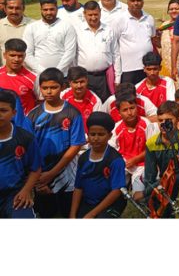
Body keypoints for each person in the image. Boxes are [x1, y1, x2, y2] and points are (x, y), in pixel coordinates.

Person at [28, 68, 85, 218]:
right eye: (45, 88)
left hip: (67, 175)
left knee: (67, 212)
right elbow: (30, 147)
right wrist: (39, 175)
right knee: (46, 214)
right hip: (41, 175)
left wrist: (53, 173)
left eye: (53, 87)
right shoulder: (33, 115)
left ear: (62, 87)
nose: (49, 91)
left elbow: (76, 144)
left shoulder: (73, 113)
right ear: (40, 88)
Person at [141, 101, 179, 218]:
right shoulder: (151, 143)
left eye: (168, 120)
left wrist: (152, 189)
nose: (163, 124)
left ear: (178, 121)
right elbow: (150, 174)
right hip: (165, 179)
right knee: (152, 196)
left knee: (176, 181)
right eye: (160, 120)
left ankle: (175, 215)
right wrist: (148, 192)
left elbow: (178, 169)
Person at [69, 112, 127, 218]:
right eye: (92, 134)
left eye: (101, 135)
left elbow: (116, 191)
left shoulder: (115, 160)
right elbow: (78, 187)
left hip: (110, 204)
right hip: (88, 202)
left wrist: (92, 214)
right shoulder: (83, 158)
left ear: (109, 136)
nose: (96, 138)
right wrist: (72, 215)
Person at [0, 90, 41, 218]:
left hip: (14, 194)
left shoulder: (25, 138)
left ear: (14, 113)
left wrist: (26, 190)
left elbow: (36, 168)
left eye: (3, 110)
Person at [109, 92, 158, 196]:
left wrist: (135, 159)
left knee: (137, 195)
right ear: (119, 112)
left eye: (132, 108)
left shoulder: (146, 124)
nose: (130, 112)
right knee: (112, 189)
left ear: (137, 108)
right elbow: (112, 149)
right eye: (125, 110)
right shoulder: (117, 128)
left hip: (142, 164)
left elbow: (152, 149)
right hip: (124, 163)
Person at [75, 0, 120, 102]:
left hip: (104, 78)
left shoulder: (109, 30)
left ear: (100, 13)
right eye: (90, 15)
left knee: (105, 104)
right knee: (86, 104)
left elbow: (116, 55)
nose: (93, 18)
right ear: (84, 14)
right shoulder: (77, 30)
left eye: (96, 14)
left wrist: (117, 78)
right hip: (84, 78)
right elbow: (73, 55)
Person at [110, 0, 156, 86]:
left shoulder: (149, 18)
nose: (136, 3)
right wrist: (117, 75)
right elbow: (114, 46)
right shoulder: (119, 20)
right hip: (128, 69)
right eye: (132, 1)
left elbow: (152, 38)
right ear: (127, 1)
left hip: (147, 69)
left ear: (143, 1)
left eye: (138, 0)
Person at [23, 0, 76, 76]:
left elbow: (70, 52)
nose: (48, 12)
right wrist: (43, 72)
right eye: (45, 9)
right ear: (41, 10)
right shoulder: (31, 27)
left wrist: (57, 72)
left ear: (57, 9)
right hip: (38, 75)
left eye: (52, 9)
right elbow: (27, 53)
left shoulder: (67, 26)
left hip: (62, 75)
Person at [0, 38, 38, 114]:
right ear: (5, 55)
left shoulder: (34, 78)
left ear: (25, 56)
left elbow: (40, 101)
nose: (16, 59)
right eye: (12, 55)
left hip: (23, 124)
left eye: (20, 56)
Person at [61, 66, 103, 133]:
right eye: (75, 82)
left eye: (82, 82)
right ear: (69, 83)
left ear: (87, 81)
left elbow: (98, 126)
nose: (79, 86)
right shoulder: (62, 97)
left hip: (86, 140)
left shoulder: (95, 101)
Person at [0, 0, 33, 66]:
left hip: (30, 74)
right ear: (5, 9)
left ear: (23, 8)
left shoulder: (34, 25)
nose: (14, 12)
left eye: (17, 8)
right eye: (11, 8)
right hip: (6, 75)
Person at [156, 0, 179, 78]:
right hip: (165, 63)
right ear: (168, 11)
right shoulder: (164, 25)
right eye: (171, 9)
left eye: (177, 9)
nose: (174, 11)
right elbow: (160, 46)